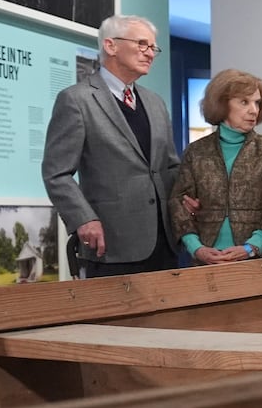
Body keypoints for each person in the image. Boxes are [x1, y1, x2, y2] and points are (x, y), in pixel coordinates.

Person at [42, 14, 180, 276]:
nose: (150, 53)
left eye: (153, 47)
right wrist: (83, 218)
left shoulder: (155, 103)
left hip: (166, 244)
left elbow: (170, 165)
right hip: (112, 247)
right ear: (111, 46)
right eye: (142, 44)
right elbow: (56, 173)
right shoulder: (76, 100)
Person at [172, 69, 262, 264]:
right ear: (222, 104)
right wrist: (197, 248)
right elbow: (179, 204)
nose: (254, 110)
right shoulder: (196, 152)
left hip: (258, 259)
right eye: (244, 102)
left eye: (257, 102)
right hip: (206, 258)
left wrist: (251, 247)